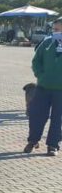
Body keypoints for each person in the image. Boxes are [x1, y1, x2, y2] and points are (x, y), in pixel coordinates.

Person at [25, 18, 62, 156]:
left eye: (57, 30)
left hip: (60, 90)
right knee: (36, 115)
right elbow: (36, 61)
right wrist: (40, 74)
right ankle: (33, 141)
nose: (54, 32)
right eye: (54, 30)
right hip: (43, 87)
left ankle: (53, 145)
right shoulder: (47, 42)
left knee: (58, 118)